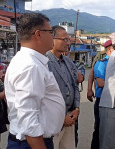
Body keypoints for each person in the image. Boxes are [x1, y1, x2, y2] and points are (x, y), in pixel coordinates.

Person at [4, 13, 65, 149]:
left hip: (31, 141)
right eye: (50, 32)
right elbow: (28, 120)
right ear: (38, 34)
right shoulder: (30, 66)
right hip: (31, 143)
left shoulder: (29, 61)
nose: (52, 36)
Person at [46, 26, 80, 149]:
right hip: (53, 120)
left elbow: (75, 85)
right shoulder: (44, 61)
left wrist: (77, 108)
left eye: (68, 39)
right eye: (64, 39)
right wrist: (61, 117)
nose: (68, 43)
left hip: (70, 116)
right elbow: (45, 95)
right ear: (52, 39)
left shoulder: (68, 61)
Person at [90, 39, 113, 149]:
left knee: (111, 131)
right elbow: (100, 82)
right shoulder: (102, 62)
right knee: (100, 129)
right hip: (102, 101)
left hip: (114, 101)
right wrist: (89, 89)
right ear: (109, 50)